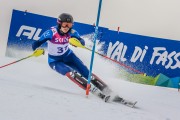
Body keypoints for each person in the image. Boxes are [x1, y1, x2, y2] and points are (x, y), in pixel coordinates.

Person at [32, 13, 110, 96]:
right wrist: (36, 50)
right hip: (54, 61)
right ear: (59, 23)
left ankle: (107, 90)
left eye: (69, 25)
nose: (67, 27)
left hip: (69, 56)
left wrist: (78, 43)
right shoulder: (51, 33)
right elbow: (36, 44)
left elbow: (81, 41)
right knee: (69, 72)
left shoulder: (72, 32)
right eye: (65, 24)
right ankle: (92, 90)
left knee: (86, 73)